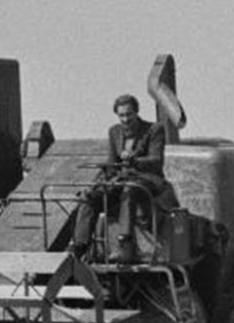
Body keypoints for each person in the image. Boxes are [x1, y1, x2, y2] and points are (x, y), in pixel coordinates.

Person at [71, 94, 177, 260]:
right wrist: (102, 181)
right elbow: (112, 163)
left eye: (129, 114)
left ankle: (125, 243)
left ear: (136, 112)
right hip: (122, 179)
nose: (125, 119)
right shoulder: (114, 132)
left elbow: (156, 161)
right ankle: (79, 246)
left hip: (148, 179)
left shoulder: (155, 129)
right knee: (89, 196)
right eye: (121, 115)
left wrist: (134, 160)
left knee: (130, 190)